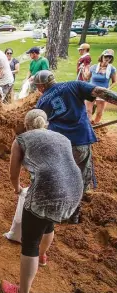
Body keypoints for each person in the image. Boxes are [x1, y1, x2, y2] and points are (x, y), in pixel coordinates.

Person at [0, 109, 83, 293]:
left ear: (26, 125)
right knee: (48, 223)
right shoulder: (62, 138)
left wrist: (17, 189)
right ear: (46, 124)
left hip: (47, 190)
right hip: (74, 189)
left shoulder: (21, 140)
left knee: (29, 243)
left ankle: (23, 290)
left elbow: (13, 174)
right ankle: (43, 255)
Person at [34, 70, 117, 224]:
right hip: (80, 142)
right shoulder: (73, 85)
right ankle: (74, 215)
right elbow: (100, 92)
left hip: (60, 145)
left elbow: (40, 126)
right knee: (81, 178)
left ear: (41, 86)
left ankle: (59, 212)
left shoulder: (41, 102)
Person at [83, 49, 116, 124]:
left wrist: (108, 89)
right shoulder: (94, 67)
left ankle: (96, 125)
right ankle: (89, 126)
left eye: (110, 57)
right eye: (106, 56)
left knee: (99, 113)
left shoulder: (112, 69)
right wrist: (83, 70)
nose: (107, 58)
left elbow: (115, 82)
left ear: (111, 59)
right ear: (102, 57)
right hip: (91, 90)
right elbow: (87, 78)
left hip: (103, 92)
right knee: (88, 111)